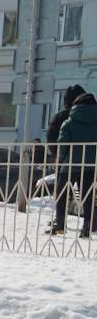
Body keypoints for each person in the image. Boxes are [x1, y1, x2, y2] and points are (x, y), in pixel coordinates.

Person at [55, 87, 97, 238]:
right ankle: (86, 227)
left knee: (61, 195)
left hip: (69, 166)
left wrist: (62, 159)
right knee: (88, 197)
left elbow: (62, 144)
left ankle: (60, 226)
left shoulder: (69, 122)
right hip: (90, 166)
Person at [46, 85, 88, 235]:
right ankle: (88, 224)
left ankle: (60, 222)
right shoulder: (91, 115)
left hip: (65, 162)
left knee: (63, 192)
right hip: (88, 162)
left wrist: (59, 156)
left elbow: (51, 138)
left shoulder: (61, 117)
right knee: (87, 193)